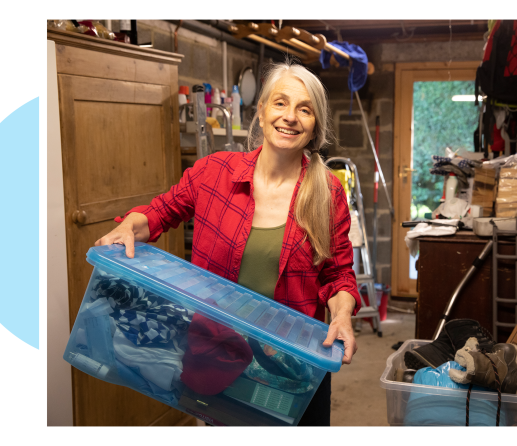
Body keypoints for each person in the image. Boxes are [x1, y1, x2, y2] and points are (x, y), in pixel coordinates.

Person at [95, 61, 361, 426]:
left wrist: (343, 315)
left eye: (305, 109)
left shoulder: (327, 192)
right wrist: (128, 226)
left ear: (316, 123)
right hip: (217, 354)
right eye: (280, 103)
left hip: (293, 364)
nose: (291, 117)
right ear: (263, 110)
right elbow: (158, 214)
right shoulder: (213, 173)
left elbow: (339, 273)